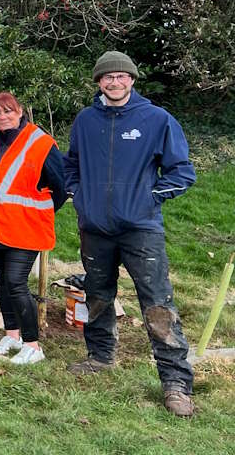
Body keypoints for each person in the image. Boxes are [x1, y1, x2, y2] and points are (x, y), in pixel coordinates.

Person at [64, 51, 197, 417]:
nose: (115, 82)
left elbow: (182, 171)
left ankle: (175, 383)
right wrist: (78, 195)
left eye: (122, 77)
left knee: (157, 303)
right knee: (97, 294)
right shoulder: (86, 121)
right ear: (99, 82)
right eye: (108, 78)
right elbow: (71, 164)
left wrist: (146, 199)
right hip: (95, 228)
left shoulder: (156, 120)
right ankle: (100, 356)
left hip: (141, 229)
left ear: (132, 80)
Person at [0, 92, 67, 364]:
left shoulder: (41, 143)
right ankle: (12, 335)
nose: (3, 117)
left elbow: (60, 186)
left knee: (15, 282)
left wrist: (38, 211)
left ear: (20, 111)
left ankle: (33, 345)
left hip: (26, 227)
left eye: (7, 111)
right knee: (3, 283)